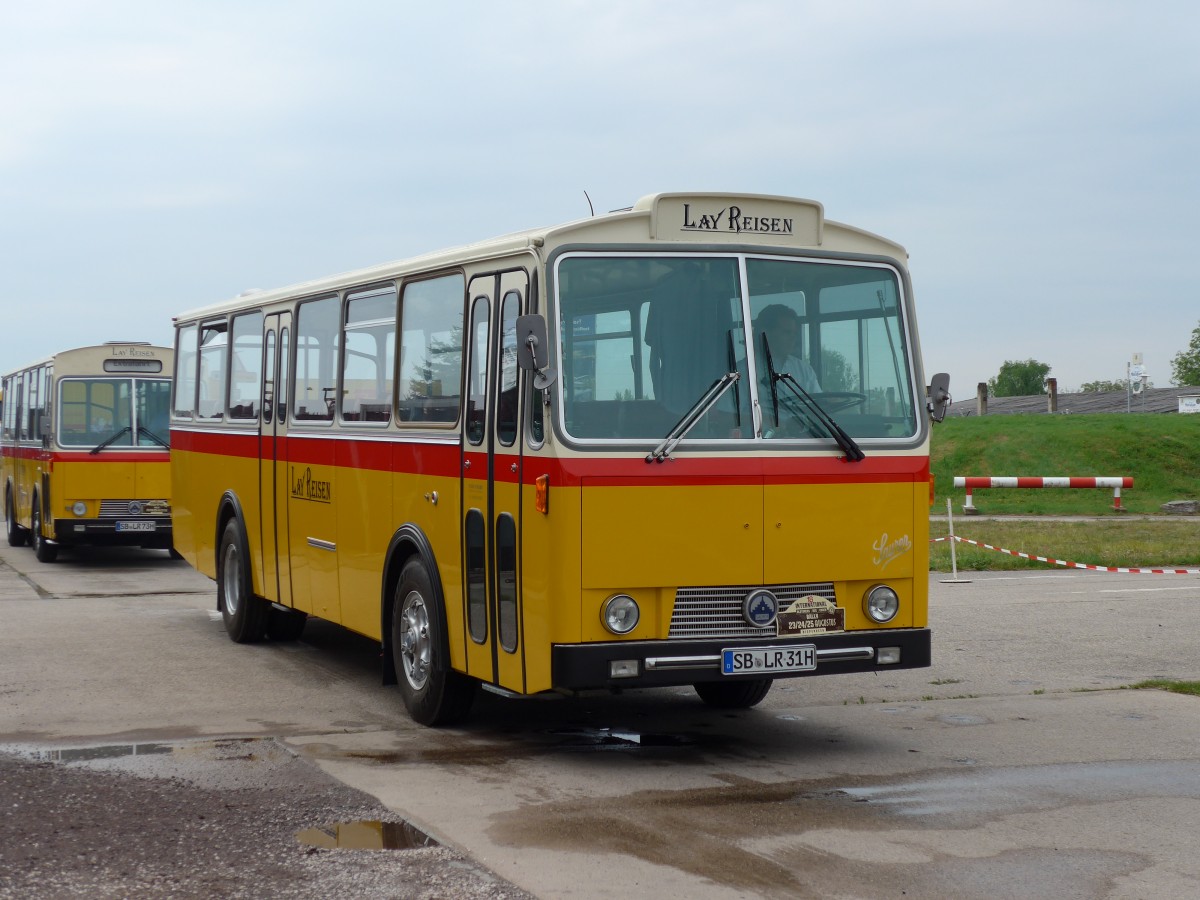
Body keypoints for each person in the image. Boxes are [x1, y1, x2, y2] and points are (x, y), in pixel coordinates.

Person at [754, 304, 821, 394]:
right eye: (787, 332)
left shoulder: (804, 370)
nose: (793, 338)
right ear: (765, 333)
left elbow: (816, 403)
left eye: (794, 333)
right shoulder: (745, 371)